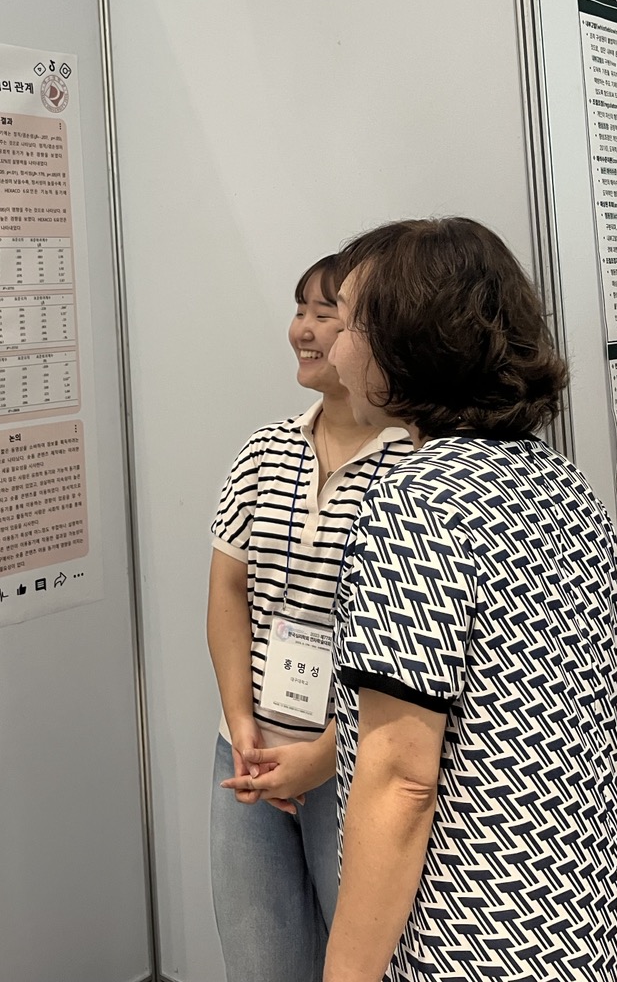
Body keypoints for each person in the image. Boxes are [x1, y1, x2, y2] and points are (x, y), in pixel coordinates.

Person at [318, 217, 617, 982]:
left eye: (347, 323)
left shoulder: (416, 501)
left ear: (410, 342)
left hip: (479, 940)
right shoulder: (564, 486)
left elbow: (401, 778)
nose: (334, 350)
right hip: (597, 924)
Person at [207, 252, 412, 982]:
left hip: (358, 765)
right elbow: (227, 593)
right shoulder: (263, 451)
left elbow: (410, 648)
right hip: (248, 759)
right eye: (301, 310)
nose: (304, 329)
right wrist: (242, 727)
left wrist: (322, 756)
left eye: (328, 314)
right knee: (261, 966)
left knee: (367, 966)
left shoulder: (416, 466)